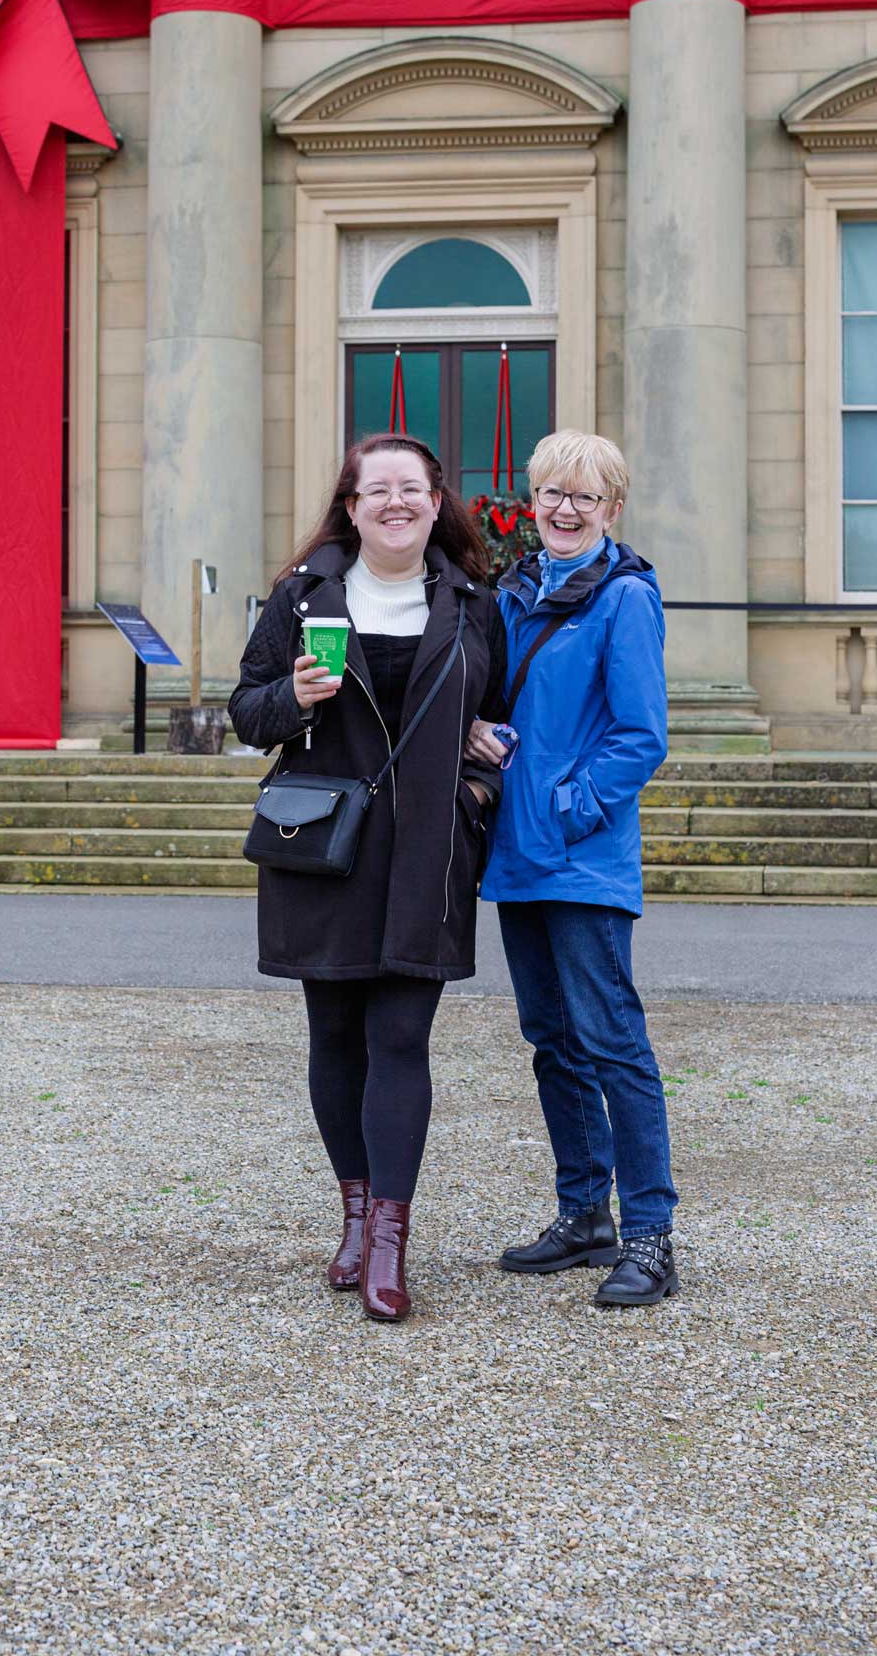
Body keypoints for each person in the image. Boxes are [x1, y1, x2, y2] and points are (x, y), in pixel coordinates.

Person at [229, 434, 508, 1322]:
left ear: (436, 503)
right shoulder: (302, 596)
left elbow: (503, 719)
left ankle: (390, 1241)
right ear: (350, 507)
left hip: (427, 849)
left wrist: (476, 784)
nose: (395, 503)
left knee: (400, 1037)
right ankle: (353, 1216)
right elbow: (245, 713)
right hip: (326, 846)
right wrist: (295, 699)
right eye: (375, 490)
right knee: (335, 1036)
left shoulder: (473, 605)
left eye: (411, 489)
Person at [464, 429, 679, 1306]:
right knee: (551, 1041)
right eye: (551, 492)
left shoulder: (623, 598)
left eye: (582, 497)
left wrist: (569, 805)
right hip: (516, 854)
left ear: (610, 511)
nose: (562, 508)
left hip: (580, 856)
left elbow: (641, 736)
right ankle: (584, 1214)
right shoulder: (512, 592)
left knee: (612, 1042)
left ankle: (652, 1235)